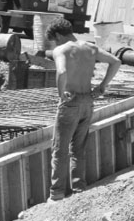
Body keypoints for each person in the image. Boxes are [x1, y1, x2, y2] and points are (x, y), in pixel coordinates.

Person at [46, 18, 121, 201]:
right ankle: (79, 189)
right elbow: (116, 62)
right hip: (88, 101)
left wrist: (61, 94)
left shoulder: (61, 50)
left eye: (54, 40)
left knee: (60, 149)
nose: (55, 44)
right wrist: (102, 86)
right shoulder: (90, 48)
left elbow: (62, 72)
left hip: (70, 102)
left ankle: (56, 194)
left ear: (58, 35)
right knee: (78, 148)